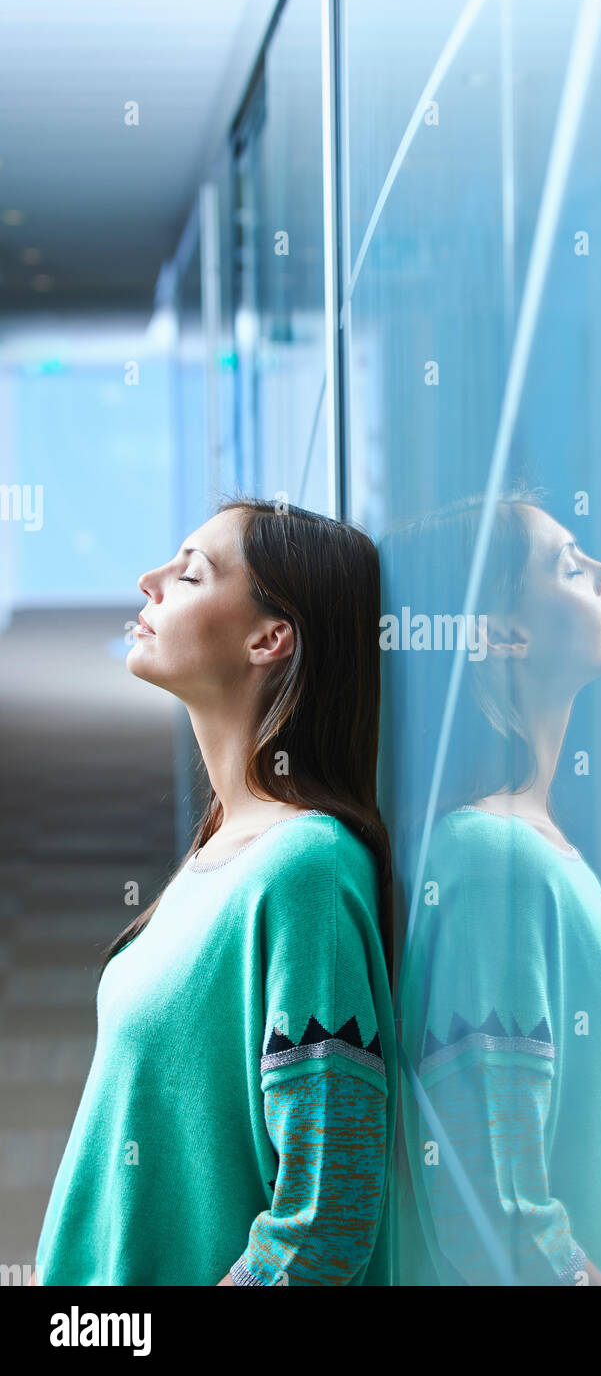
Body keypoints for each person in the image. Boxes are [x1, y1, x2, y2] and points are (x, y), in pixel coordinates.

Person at [31, 496, 397, 1286]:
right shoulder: (220, 851)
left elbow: (325, 1221)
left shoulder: (307, 869)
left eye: (190, 574)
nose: (149, 580)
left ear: (271, 639)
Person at [382, 488, 601, 1285]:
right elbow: (495, 1218)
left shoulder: (527, 847)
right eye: (569, 566)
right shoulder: (487, 865)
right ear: (501, 634)